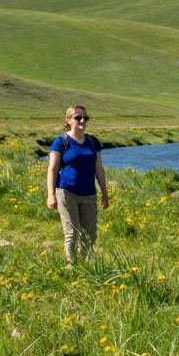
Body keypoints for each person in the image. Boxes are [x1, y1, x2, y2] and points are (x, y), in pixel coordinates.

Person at [46, 104, 109, 262]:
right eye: (78, 117)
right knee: (72, 232)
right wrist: (51, 194)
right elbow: (52, 169)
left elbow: (99, 169)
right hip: (66, 193)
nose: (82, 120)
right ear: (68, 120)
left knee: (90, 234)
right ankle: (71, 266)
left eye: (85, 117)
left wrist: (105, 193)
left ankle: (85, 265)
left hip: (89, 194)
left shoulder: (93, 142)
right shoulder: (61, 141)